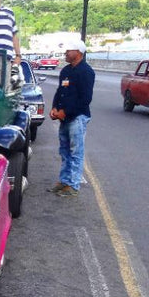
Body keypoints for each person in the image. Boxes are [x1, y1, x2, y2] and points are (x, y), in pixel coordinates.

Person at [48, 38, 95, 198]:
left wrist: (65, 112)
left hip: (77, 118)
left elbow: (85, 99)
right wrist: (55, 107)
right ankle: (64, 181)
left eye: (69, 50)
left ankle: (73, 185)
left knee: (76, 152)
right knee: (64, 151)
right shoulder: (66, 71)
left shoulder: (86, 72)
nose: (66, 53)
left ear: (78, 52)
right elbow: (60, 91)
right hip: (64, 118)